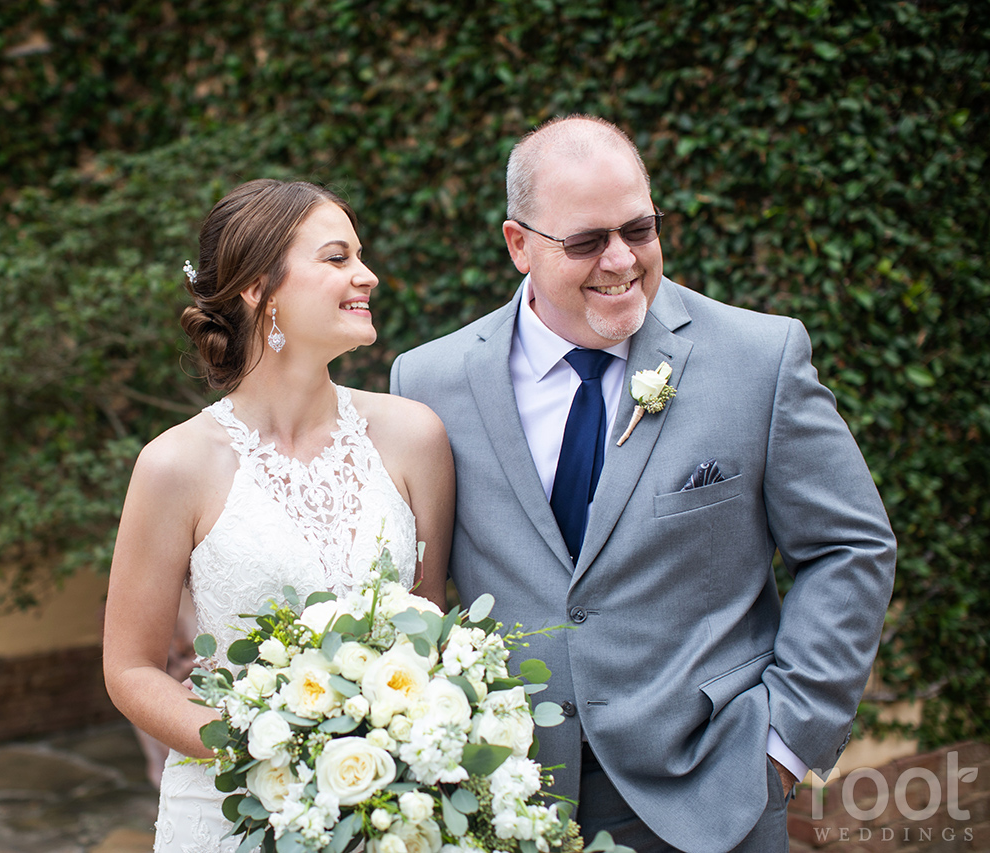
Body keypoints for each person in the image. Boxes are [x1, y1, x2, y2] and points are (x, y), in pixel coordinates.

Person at [391, 115, 896, 852]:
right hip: (505, 799)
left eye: (641, 229)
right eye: (589, 240)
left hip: (714, 790)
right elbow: (422, 591)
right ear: (518, 245)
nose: (623, 260)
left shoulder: (760, 358)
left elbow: (850, 545)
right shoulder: (428, 381)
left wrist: (783, 744)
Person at [103, 179, 455, 853]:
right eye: (336, 258)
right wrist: (271, 749)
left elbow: (428, 620)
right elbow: (131, 668)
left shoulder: (416, 437)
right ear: (258, 289)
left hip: (387, 811)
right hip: (233, 810)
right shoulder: (175, 464)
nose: (366, 275)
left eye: (361, 255)